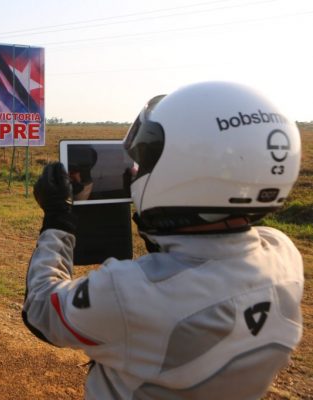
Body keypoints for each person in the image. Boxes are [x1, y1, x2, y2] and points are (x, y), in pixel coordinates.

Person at [23, 81, 303, 399]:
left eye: (146, 160)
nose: (136, 171)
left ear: (182, 169)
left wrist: (58, 216)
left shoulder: (129, 292)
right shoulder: (283, 255)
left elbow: (42, 309)